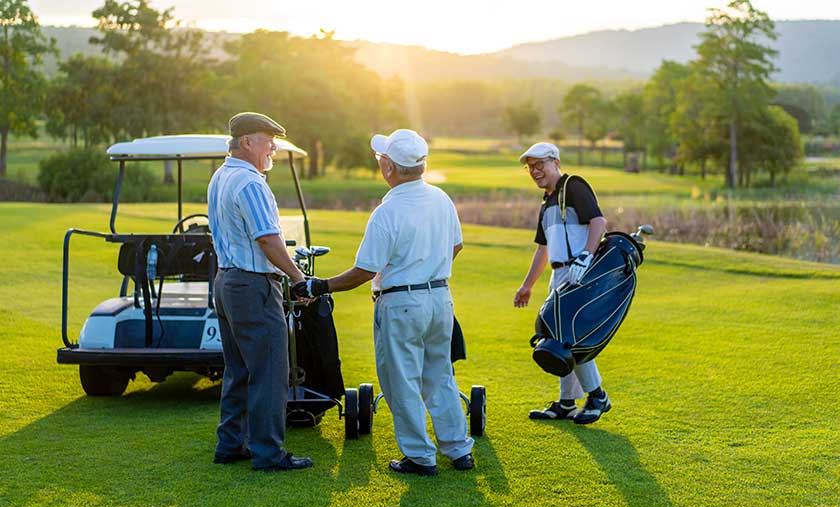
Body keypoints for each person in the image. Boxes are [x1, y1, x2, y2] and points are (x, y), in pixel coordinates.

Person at [293, 129, 474, 476]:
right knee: (441, 375)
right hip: (440, 297)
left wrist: (321, 286)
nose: (379, 163)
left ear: (390, 167)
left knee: (401, 380)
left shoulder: (386, 211)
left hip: (401, 303)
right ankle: (458, 448)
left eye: (381, 159)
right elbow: (456, 246)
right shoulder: (441, 198)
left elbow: (364, 271)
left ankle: (421, 457)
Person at [208, 112, 313, 471]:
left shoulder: (220, 176)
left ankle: (231, 444)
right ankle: (269, 454)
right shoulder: (251, 183)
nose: (273, 147)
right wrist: (298, 277)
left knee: (238, 369)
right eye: (268, 140)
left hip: (226, 282)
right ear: (248, 141)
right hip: (252, 286)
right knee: (270, 372)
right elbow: (268, 239)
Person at [513, 142, 611, 425]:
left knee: (571, 338)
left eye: (540, 164)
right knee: (558, 337)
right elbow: (543, 249)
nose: (535, 171)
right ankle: (567, 403)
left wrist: (585, 257)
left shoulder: (574, 186)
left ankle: (597, 396)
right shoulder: (547, 202)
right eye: (530, 167)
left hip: (580, 273)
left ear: (555, 161)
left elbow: (598, 222)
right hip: (560, 277)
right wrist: (528, 285)